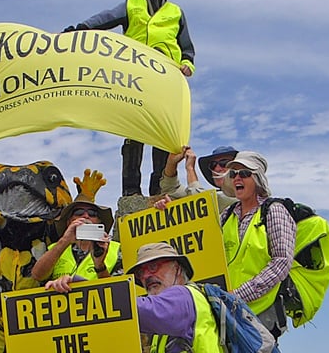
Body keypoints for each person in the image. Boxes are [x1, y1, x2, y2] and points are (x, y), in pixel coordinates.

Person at [64, 0, 195, 197]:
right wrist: (78, 30)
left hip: (166, 78)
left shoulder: (176, 12)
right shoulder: (131, 4)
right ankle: (131, 191)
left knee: (164, 134)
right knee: (135, 132)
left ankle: (158, 189)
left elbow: (186, 47)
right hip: (136, 75)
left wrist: (187, 65)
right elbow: (103, 20)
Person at [45, 242, 222, 353]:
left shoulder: (182, 296)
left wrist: (78, 287)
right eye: (141, 272)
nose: (146, 276)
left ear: (177, 268)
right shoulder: (173, 311)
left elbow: (124, 308)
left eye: (153, 266)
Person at [219, 151, 295, 339]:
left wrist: (239, 295)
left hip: (262, 317)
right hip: (227, 313)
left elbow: (282, 262)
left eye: (244, 173)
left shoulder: (274, 211)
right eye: (233, 174)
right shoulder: (226, 215)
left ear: (258, 178)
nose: (237, 178)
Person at [31, 194, 122, 282]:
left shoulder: (117, 250)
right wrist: (64, 241)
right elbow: (37, 276)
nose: (86, 216)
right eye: (79, 212)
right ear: (69, 222)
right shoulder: (53, 249)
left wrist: (100, 266)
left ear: (99, 222)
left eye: (92, 213)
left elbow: (120, 289)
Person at [155, 145, 238, 211]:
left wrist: (190, 169)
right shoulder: (215, 197)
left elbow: (199, 201)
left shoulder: (238, 198)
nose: (217, 168)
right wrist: (171, 164)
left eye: (224, 163)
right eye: (213, 165)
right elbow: (171, 190)